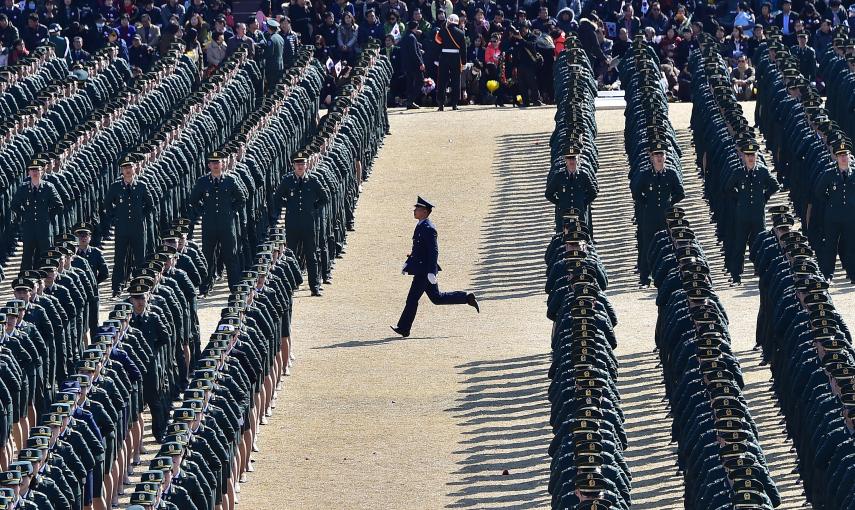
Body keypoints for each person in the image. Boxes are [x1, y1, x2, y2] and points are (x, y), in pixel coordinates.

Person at [391, 197, 479, 337]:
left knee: (412, 299)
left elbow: (433, 251)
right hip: (421, 269)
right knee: (437, 298)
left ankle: (404, 327)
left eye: (417, 209)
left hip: (425, 271)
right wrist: (408, 262)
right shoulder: (421, 226)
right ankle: (466, 297)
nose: (414, 211)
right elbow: (419, 249)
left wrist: (432, 271)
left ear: (425, 212)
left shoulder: (429, 229)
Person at [188, 152, 248, 295]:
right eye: (213, 163)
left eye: (218, 163)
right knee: (207, 256)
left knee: (231, 256)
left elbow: (242, 198)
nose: (215, 166)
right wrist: (203, 212)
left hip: (227, 225)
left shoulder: (230, 180)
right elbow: (193, 200)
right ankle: (205, 287)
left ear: (222, 164)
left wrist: (230, 211)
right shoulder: (203, 182)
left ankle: (234, 288)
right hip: (209, 225)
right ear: (209, 165)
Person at [274, 152, 329, 296]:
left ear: (306, 165)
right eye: (297, 164)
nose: (300, 166)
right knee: (291, 255)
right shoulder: (287, 181)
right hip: (292, 224)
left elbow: (324, 198)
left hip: (308, 224)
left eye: (302, 164)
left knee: (311, 256)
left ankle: (314, 286)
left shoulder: (313, 181)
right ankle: (292, 284)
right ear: (293, 165)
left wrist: (313, 208)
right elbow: (277, 197)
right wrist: (287, 205)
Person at [724, 142, 778, 285]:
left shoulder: (762, 171)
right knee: (739, 245)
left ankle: (761, 272)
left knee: (759, 244)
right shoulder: (738, 172)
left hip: (757, 215)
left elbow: (775, 185)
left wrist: (764, 197)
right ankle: (736, 275)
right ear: (743, 156)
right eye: (748, 155)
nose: (750, 158)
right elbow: (728, 188)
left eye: (753, 155)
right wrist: (739, 200)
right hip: (742, 215)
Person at [103, 156, 155, 297]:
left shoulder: (141, 186)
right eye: (125, 168)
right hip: (122, 229)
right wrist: (116, 218)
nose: (127, 170)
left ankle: (140, 285)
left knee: (140, 259)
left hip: (138, 228)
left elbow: (150, 205)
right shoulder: (115, 187)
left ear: (135, 168)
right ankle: (117, 288)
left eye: (130, 167)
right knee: (119, 259)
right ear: (121, 171)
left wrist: (140, 216)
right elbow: (107, 205)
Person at [10, 162, 63, 271]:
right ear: (28, 172)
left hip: (44, 228)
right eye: (32, 170)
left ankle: (45, 279)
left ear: (42, 172)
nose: (35, 173)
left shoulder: (48, 187)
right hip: (29, 228)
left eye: (37, 170)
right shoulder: (23, 188)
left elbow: (59, 205)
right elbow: (14, 204)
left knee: (45, 255)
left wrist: (48, 216)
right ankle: (26, 280)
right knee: (27, 256)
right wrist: (24, 214)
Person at [434, 13, 466, 110]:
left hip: (444, 57)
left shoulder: (442, 31)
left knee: (442, 81)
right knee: (456, 80)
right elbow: (463, 50)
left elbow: (437, 45)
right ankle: (454, 104)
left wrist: (436, 58)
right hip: (456, 57)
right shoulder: (461, 33)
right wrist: (464, 62)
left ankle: (441, 104)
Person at [401, 20, 424, 109]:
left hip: (407, 64)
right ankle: (410, 100)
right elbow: (414, 52)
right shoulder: (412, 37)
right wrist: (420, 63)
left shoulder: (406, 36)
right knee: (420, 82)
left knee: (410, 83)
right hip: (414, 65)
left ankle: (410, 102)